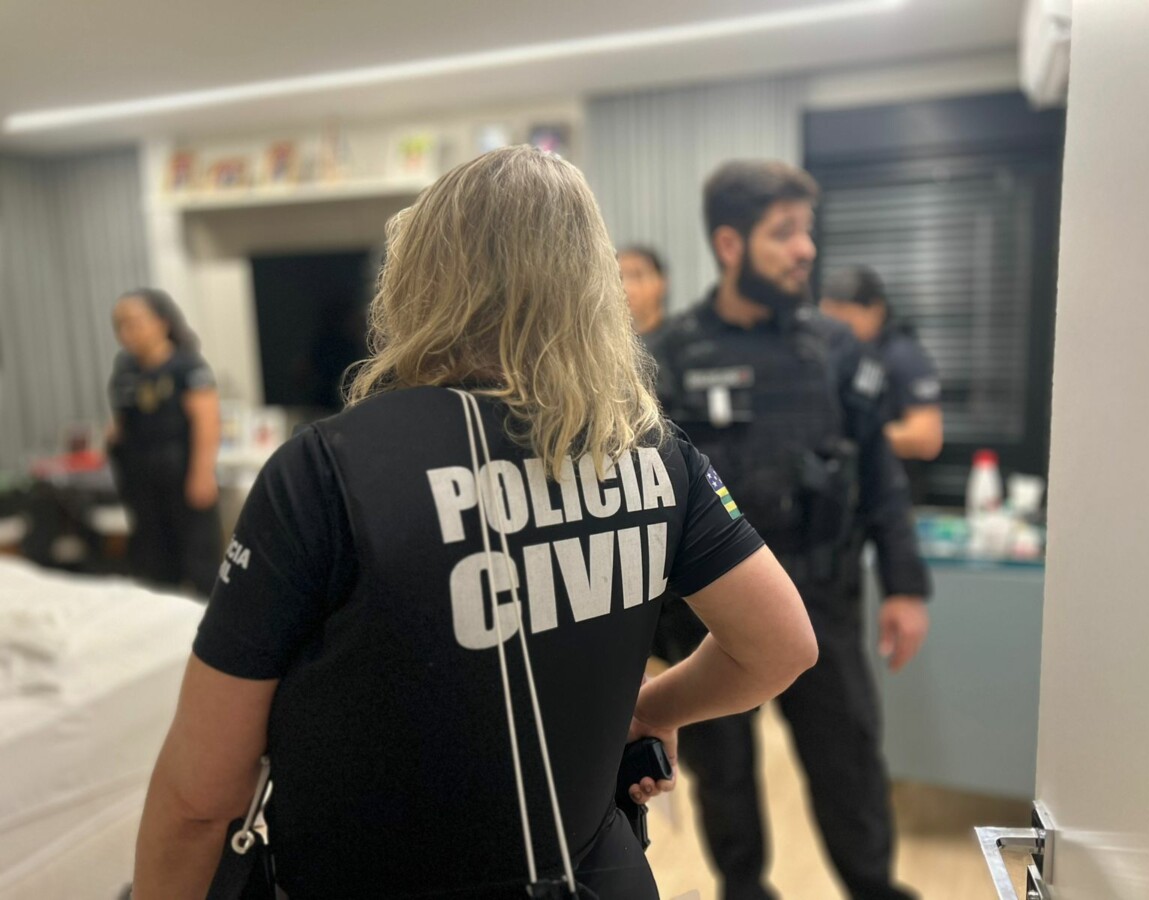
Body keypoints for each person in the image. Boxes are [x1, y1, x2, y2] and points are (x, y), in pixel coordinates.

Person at [132, 146, 819, 900]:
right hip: (599, 877)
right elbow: (780, 646)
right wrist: (654, 706)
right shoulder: (654, 453)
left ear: (418, 279)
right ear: (591, 284)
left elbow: (201, 801)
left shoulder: (326, 470)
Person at [650, 160, 931, 900]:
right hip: (706, 612)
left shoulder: (837, 349)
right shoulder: (668, 357)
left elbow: (881, 477)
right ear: (730, 244)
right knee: (724, 775)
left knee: (849, 761)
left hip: (822, 596)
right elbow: (645, 498)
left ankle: (871, 887)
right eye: (784, 233)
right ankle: (743, 888)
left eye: (806, 230)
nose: (806, 249)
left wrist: (904, 586)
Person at [107, 289, 222, 594]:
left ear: (161, 322)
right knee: (153, 563)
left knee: (199, 561)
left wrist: (202, 474)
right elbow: (122, 421)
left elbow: (207, 423)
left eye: (134, 322)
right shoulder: (125, 369)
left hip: (182, 472)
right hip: (142, 478)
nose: (126, 331)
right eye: (119, 324)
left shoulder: (187, 367)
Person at [820, 266, 943, 461]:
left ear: (876, 311)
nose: (835, 329)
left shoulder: (901, 355)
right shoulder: (823, 354)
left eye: (845, 318)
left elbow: (926, 439)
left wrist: (860, 435)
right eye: (828, 319)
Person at [618, 245, 668, 339]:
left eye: (636, 276)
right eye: (619, 278)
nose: (626, 288)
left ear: (661, 283)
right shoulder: (607, 342)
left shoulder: (681, 340)